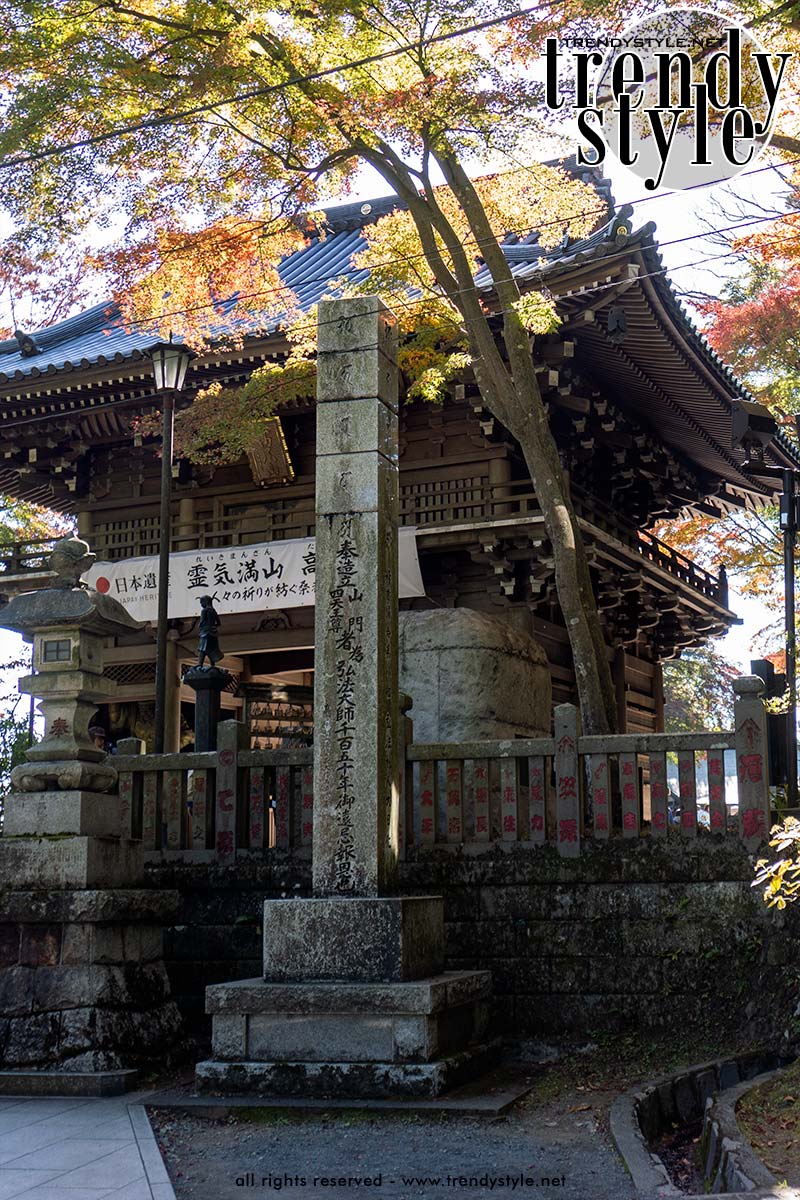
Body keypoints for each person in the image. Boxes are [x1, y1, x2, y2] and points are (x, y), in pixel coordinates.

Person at [197, 595, 223, 667]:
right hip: (213, 633)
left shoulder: (204, 611)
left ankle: (200, 664)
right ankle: (212, 665)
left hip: (205, 633)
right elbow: (219, 623)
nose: (201, 605)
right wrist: (213, 626)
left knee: (202, 649)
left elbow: (202, 622)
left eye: (201, 603)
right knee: (212, 649)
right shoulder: (213, 611)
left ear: (205, 602)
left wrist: (200, 626)